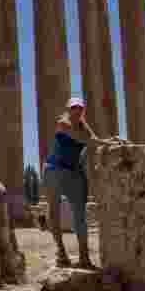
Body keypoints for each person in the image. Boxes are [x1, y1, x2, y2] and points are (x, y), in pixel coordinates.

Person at [43, 97, 99, 269]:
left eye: (80, 108)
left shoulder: (83, 124)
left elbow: (93, 140)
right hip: (54, 170)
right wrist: (101, 141)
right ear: (68, 109)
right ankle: (61, 252)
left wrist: (111, 142)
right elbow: (85, 140)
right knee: (54, 211)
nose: (77, 111)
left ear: (83, 110)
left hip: (74, 172)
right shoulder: (63, 123)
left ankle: (84, 257)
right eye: (74, 108)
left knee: (80, 215)